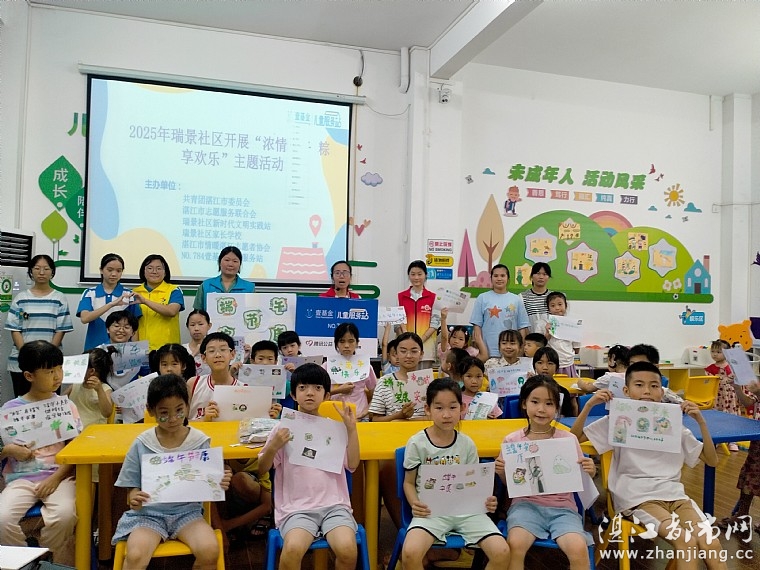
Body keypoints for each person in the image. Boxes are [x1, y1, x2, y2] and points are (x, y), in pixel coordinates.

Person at [571, 362, 726, 569]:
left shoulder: (672, 422)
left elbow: (712, 461)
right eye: (639, 385)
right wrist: (589, 405)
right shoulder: (618, 419)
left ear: (662, 391)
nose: (647, 391)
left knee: (711, 543)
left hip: (676, 497)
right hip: (637, 498)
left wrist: (701, 422)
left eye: (654, 386)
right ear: (626, 391)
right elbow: (573, 439)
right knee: (685, 541)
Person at [111, 374, 232, 570]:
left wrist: (221, 480)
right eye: (164, 413)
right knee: (135, 555)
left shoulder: (199, 441)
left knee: (210, 550)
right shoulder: (142, 443)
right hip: (148, 515)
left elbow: (210, 480)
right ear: (151, 410)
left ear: (188, 406)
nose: (173, 418)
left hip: (188, 513)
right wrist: (134, 496)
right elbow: (131, 487)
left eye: (179, 410)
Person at [258, 364, 360, 570]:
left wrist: (351, 430)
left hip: (335, 506)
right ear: (293, 395)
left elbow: (353, 464)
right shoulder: (282, 428)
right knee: (292, 550)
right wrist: (273, 446)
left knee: (348, 550)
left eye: (317, 388)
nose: (310, 393)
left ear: (327, 395)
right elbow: (262, 469)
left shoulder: (335, 429)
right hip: (297, 510)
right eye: (303, 388)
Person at [401, 378, 509, 570]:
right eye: (439, 407)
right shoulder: (417, 443)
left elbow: (475, 483)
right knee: (410, 553)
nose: (446, 414)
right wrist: (415, 504)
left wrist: (487, 500)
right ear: (427, 409)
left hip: (467, 511)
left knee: (502, 552)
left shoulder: (467, 444)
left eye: (452, 407)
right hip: (431, 511)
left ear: (462, 408)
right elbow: (408, 483)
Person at [496, 375, 595, 570]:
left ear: (557, 407)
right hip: (525, 506)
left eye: (549, 403)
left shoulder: (567, 440)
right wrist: (501, 472)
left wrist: (589, 471)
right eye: (535, 402)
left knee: (578, 548)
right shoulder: (512, 441)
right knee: (515, 545)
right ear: (524, 404)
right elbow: (511, 484)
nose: (541, 409)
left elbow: (580, 479)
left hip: (563, 509)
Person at [0, 340, 79, 564]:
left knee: (64, 515)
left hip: (59, 477)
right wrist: (8, 450)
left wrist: (56, 478)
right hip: (20, 479)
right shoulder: (9, 410)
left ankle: (47, 558)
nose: (57, 376)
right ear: (29, 376)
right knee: (2, 518)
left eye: (59, 369)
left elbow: (76, 448)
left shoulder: (66, 406)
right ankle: (25, 561)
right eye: (49, 371)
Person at [5, 254, 74, 397]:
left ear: (52, 272)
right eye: (37, 268)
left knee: (49, 405)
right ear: (31, 271)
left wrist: (46, 357)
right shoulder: (21, 298)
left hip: (50, 364)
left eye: (46, 269)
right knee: (22, 404)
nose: (41, 272)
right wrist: (27, 355)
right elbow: (15, 329)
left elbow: (60, 331)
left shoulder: (59, 298)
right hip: (22, 362)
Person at [77, 252, 141, 350]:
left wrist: (134, 350)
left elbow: (134, 326)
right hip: (94, 348)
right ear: (101, 270)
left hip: (122, 351)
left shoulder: (129, 295)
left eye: (118, 271)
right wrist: (111, 304)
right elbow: (85, 318)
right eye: (110, 270)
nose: (114, 274)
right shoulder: (90, 293)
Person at [720, 380, 760, 531]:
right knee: (748, 475)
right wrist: (737, 388)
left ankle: (742, 516)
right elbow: (748, 402)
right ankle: (742, 515)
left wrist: (758, 392)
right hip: (757, 438)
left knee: (752, 476)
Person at [470, 264, 529, 358]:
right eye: (496, 276)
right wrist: (482, 351)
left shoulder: (516, 299)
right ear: (491, 278)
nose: (499, 279)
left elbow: (522, 327)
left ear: (508, 279)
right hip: (488, 352)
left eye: (502, 276)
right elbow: (477, 327)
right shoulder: (482, 298)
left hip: (511, 353)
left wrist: (520, 351)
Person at [132, 254, 185, 351]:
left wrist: (145, 301)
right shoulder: (135, 292)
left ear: (165, 272)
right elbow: (132, 323)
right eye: (150, 268)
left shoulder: (174, 290)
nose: (154, 271)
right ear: (143, 271)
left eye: (159, 268)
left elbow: (171, 311)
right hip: (142, 349)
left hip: (168, 348)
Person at [327, 322, 377, 420]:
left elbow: (376, 395)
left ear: (357, 343)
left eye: (351, 341)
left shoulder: (366, 366)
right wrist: (339, 390)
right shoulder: (327, 366)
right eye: (342, 341)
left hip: (360, 416)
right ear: (336, 343)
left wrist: (364, 413)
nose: (346, 345)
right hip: (334, 416)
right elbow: (319, 394)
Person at [188, 332, 240, 421]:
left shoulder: (243, 389)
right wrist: (204, 419)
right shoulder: (193, 384)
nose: (218, 355)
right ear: (204, 358)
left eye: (223, 349)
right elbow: (181, 422)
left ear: (232, 354)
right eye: (212, 351)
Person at [397, 260, 439, 357]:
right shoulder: (400, 297)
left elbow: (435, 323)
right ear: (409, 276)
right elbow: (397, 322)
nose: (416, 277)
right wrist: (406, 339)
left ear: (425, 275)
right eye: (413, 274)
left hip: (426, 348)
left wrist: (420, 340)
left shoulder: (433, 297)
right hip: (405, 348)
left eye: (419, 274)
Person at [193, 246, 255, 311]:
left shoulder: (249, 288)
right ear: (220, 262)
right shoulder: (206, 285)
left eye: (235, 261)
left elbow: (253, 311)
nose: (230, 264)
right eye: (227, 260)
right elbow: (197, 312)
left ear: (240, 264)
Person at [706, 340, 741, 450]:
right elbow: (708, 381)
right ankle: (717, 439)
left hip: (729, 396)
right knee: (716, 417)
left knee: (731, 416)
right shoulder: (710, 368)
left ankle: (732, 441)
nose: (715, 354)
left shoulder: (731, 366)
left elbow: (737, 378)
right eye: (713, 351)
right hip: (716, 395)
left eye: (718, 352)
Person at [66, 347, 114, 428]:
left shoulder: (105, 389)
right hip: (73, 429)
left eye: (81, 366)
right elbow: (61, 401)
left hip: (93, 431)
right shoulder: (76, 384)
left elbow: (107, 413)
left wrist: (99, 390)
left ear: (91, 371)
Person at [532, 346, 578, 418]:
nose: (545, 367)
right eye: (540, 363)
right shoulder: (529, 390)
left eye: (550, 363)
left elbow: (568, 418)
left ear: (557, 368)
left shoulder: (563, 392)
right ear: (534, 366)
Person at [542, 291, 579, 377]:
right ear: (548, 308)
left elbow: (576, 349)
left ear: (566, 305)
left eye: (560, 304)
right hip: (550, 364)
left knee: (568, 384)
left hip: (568, 363)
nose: (557, 308)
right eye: (552, 305)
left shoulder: (572, 324)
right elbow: (539, 346)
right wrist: (547, 334)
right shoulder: (543, 323)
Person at [103, 310, 142, 390]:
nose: (121, 330)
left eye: (126, 327)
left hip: (132, 394)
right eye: (116, 326)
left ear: (133, 333)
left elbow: (148, 373)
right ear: (108, 329)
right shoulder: (99, 351)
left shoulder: (139, 353)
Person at [519, 262, 552, 334]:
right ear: (531, 276)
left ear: (548, 277)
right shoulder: (522, 297)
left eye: (545, 274)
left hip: (550, 338)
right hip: (531, 338)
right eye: (538, 273)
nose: (541, 277)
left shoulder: (553, 297)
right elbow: (521, 323)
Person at [184, 309, 212, 376]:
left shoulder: (213, 349)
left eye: (200, 324)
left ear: (209, 326)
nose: (196, 328)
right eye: (192, 325)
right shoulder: (182, 349)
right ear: (187, 327)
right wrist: (193, 354)